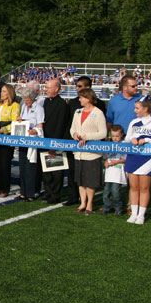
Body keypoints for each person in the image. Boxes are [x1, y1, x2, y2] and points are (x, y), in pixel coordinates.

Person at [65, 76, 107, 206]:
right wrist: (75, 135)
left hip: (92, 152)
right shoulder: (77, 111)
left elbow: (103, 133)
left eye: (82, 98)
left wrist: (86, 136)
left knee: (90, 180)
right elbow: (72, 129)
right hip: (79, 151)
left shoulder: (98, 112)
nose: (79, 99)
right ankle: (82, 203)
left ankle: (89, 203)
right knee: (80, 179)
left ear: (88, 99)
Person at [125, 96, 151, 225]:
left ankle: (141, 215)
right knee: (134, 187)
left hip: (148, 159)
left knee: (144, 187)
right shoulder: (133, 122)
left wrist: (147, 140)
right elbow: (126, 139)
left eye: (137, 108)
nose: (135, 110)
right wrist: (132, 139)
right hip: (133, 157)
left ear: (146, 108)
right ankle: (134, 213)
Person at [40, 78, 71, 203]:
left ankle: (55, 195)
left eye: (48, 87)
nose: (45, 90)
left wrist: (54, 144)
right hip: (44, 140)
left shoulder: (62, 104)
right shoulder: (45, 102)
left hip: (56, 140)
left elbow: (61, 125)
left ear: (56, 89)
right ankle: (48, 193)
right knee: (46, 170)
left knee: (56, 170)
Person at [15, 86, 44, 201]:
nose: (25, 102)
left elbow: (40, 126)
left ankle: (31, 193)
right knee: (22, 167)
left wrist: (34, 130)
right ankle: (23, 191)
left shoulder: (39, 108)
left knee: (30, 167)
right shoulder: (23, 107)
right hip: (23, 139)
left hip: (32, 140)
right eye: (24, 99)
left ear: (33, 98)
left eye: (27, 100)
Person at [0, 83, 20, 197]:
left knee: (5, 163)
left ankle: (5, 189)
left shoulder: (15, 105)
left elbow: (15, 123)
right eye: (1, 91)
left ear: (9, 92)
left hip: (7, 137)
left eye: (4, 91)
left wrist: (3, 130)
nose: (2, 93)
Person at [102, 125, 127, 216]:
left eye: (117, 136)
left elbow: (126, 158)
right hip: (109, 173)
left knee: (116, 192)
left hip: (118, 173)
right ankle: (106, 207)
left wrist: (117, 161)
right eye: (113, 136)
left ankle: (118, 208)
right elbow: (105, 157)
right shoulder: (109, 144)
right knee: (106, 192)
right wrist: (105, 162)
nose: (115, 138)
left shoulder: (124, 144)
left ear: (122, 135)